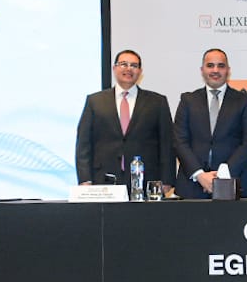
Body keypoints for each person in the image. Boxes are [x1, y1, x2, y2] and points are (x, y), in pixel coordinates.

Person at [75, 49, 175, 190]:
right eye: (123, 64)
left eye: (134, 65)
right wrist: (85, 179)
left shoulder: (157, 102)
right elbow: (83, 144)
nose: (128, 69)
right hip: (103, 180)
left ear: (140, 71)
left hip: (146, 180)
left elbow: (167, 144)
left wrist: (166, 180)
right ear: (114, 68)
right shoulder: (95, 101)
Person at [172, 48, 247, 199]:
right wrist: (200, 175)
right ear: (202, 70)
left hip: (233, 183)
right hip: (192, 185)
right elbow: (179, 141)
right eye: (210, 65)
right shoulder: (188, 100)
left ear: (228, 70)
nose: (215, 70)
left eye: (221, 66)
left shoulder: (245, 101)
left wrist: (224, 175)